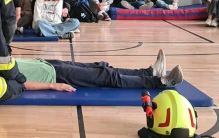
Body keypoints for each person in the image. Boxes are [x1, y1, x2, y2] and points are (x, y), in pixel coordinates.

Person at [18, 50, 184, 91]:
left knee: (101, 67)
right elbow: (19, 84)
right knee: (104, 76)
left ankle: (149, 72)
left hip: (47, 64)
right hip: (52, 76)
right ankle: (161, 82)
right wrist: (53, 86)